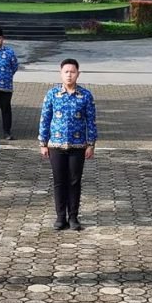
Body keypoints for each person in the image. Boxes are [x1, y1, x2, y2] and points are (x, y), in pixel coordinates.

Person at [39, 58, 98, 231]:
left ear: (78, 74)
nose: (69, 75)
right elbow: (45, 119)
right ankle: (60, 217)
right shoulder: (52, 94)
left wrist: (91, 144)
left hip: (78, 146)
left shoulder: (85, 95)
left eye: (73, 72)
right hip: (55, 145)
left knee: (74, 181)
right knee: (59, 181)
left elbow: (91, 121)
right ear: (61, 73)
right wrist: (43, 142)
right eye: (66, 72)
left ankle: (73, 216)